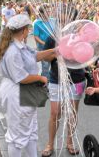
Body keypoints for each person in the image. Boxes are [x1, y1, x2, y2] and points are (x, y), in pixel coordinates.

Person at [0, 14, 55, 157]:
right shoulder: (13, 51)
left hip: (25, 91)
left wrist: (54, 51)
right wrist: (41, 78)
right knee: (17, 135)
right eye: (28, 29)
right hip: (17, 93)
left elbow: (35, 55)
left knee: (31, 130)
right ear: (23, 31)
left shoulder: (20, 46)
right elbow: (21, 77)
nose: (29, 31)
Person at [42, 13, 85, 156]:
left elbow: (88, 56)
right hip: (56, 80)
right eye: (63, 20)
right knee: (55, 112)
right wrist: (56, 52)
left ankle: (70, 142)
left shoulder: (81, 38)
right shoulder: (52, 38)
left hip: (77, 79)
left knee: (72, 112)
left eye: (71, 20)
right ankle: (50, 144)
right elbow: (44, 57)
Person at [33, 6, 54, 79]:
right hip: (43, 46)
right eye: (47, 11)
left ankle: (50, 79)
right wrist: (44, 43)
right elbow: (36, 36)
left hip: (54, 46)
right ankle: (45, 81)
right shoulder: (37, 23)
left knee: (54, 63)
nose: (49, 12)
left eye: (49, 10)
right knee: (45, 65)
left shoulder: (53, 20)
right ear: (41, 13)